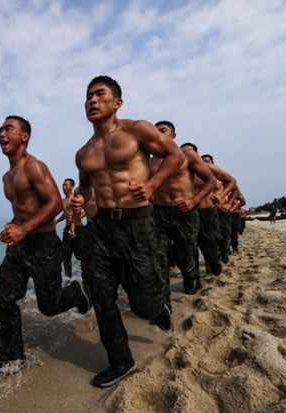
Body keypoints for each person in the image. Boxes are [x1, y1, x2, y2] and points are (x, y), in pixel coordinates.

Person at [72, 76, 185, 388]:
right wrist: (83, 199)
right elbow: (85, 185)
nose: (92, 100)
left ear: (117, 102)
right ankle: (121, 361)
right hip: (102, 228)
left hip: (138, 223)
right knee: (102, 295)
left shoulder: (137, 130)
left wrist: (151, 184)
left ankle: (157, 305)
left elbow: (175, 157)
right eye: (88, 96)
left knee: (143, 303)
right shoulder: (84, 152)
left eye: (99, 94)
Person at [0, 115, 91, 379]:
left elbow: (55, 204)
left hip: (43, 245)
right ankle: (12, 358)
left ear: (24, 136)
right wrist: (12, 227)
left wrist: (24, 228)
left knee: (49, 306)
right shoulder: (6, 176)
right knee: (6, 297)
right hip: (19, 246)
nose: (1, 133)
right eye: (0, 129)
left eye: (8, 128)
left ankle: (76, 293)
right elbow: (23, 210)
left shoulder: (35, 167)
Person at [151, 122, 217, 297]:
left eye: (163, 131)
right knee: (160, 257)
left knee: (185, 256)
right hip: (159, 214)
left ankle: (191, 283)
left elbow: (211, 181)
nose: (159, 135)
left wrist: (194, 201)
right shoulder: (150, 162)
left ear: (173, 135)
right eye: (155, 132)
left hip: (185, 213)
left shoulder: (187, 155)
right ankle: (163, 298)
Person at [193, 153, 237, 276]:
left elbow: (235, 190)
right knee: (203, 241)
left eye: (207, 161)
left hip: (219, 211)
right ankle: (209, 268)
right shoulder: (196, 175)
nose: (205, 163)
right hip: (201, 210)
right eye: (202, 161)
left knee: (219, 236)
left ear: (213, 162)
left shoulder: (219, 177)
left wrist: (228, 203)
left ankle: (223, 255)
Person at [55, 178, 86, 278]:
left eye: (66, 185)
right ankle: (68, 278)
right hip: (67, 229)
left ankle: (86, 276)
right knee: (66, 255)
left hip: (78, 229)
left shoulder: (76, 199)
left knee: (80, 255)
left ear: (71, 187)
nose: (63, 187)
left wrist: (78, 218)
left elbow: (86, 210)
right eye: (63, 185)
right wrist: (55, 222)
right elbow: (65, 214)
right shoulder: (63, 201)